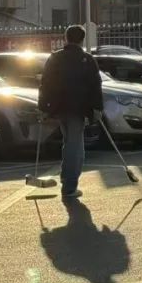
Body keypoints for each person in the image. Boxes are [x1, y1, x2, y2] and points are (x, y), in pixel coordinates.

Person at [38, 25, 103, 199]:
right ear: (82, 40)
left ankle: (67, 180)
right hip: (78, 108)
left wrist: (43, 107)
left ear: (65, 38)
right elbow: (95, 85)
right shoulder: (87, 59)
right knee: (75, 147)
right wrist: (97, 108)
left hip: (59, 108)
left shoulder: (55, 58)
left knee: (69, 143)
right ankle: (69, 186)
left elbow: (45, 83)